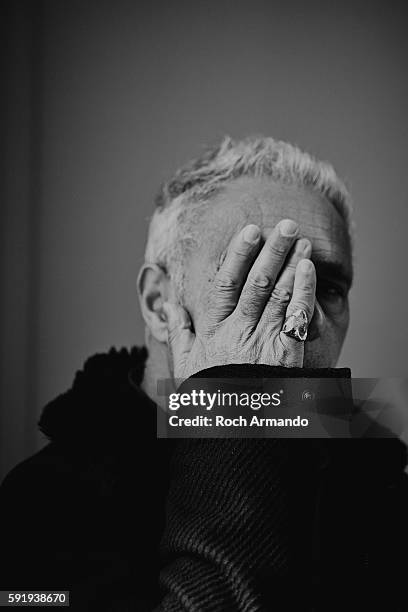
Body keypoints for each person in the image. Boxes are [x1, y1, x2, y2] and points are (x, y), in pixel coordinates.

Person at [1, 136, 407, 611]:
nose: (299, 313)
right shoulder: (41, 506)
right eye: (260, 271)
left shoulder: (381, 488)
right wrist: (233, 411)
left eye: (329, 285)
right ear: (158, 303)